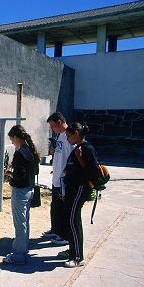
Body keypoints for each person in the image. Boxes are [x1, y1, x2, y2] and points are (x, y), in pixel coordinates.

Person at [62, 123, 100, 268]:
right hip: (72, 189)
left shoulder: (86, 148)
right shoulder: (78, 148)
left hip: (79, 189)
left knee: (73, 220)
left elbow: (94, 170)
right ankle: (72, 250)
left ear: (76, 133)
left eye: (68, 136)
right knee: (70, 219)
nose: (67, 139)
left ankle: (78, 257)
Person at [3, 125, 40, 265]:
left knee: (20, 224)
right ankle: (23, 249)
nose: (12, 142)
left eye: (12, 139)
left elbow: (19, 176)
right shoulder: (31, 150)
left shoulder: (19, 153)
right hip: (29, 190)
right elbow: (34, 171)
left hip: (20, 191)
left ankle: (18, 255)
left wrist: (10, 175)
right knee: (25, 222)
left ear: (16, 137)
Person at [44, 112, 75, 246]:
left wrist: (67, 174)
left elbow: (73, 156)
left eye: (52, 126)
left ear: (59, 122)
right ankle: (56, 230)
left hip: (64, 179)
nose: (52, 129)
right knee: (55, 207)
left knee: (63, 208)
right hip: (56, 178)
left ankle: (64, 235)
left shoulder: (69, 136)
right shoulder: (60, 135)